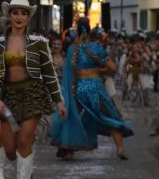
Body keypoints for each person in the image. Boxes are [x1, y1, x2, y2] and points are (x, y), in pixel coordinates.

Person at [0, 0, 66, 179]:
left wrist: (58, 101)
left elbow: (49, 74)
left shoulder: (39, 44)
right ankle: (26, 166)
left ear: (28, 17)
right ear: (9, 16)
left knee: (24, 140)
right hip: (8, 96)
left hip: (32, 93)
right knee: (10, 150)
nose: (19, 17)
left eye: (23, 13)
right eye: (15, 13)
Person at [51, 17, 133, 161]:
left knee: (72, 116)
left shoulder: (71, 49)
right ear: (89, 32)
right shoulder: (97, 47)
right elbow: (113, 68)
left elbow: (69, 73)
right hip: (96, 88)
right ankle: (120, 148)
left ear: (77, 31)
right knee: (110, 116)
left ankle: (68, 149)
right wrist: (99, 72)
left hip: (78, 89)